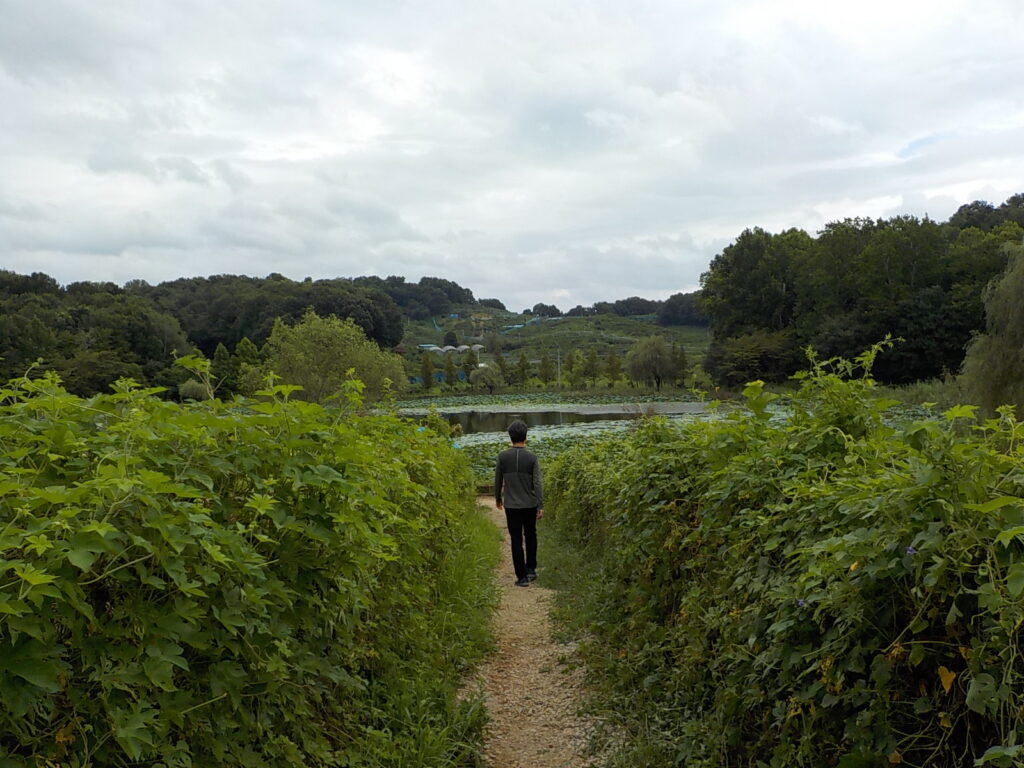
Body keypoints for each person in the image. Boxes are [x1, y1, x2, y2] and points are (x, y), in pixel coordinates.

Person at [494, 420, 544, 587]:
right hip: (529, 504)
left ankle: (521, 577)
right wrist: (540, 504)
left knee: (516, 538)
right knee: (530, 535)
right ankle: (531, 569)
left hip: (511, 505)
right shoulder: (532, 458)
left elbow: (498, 480)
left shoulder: (502, 457)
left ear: (510, 437)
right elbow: (537, 483)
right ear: (525, 436)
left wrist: (498, 498)